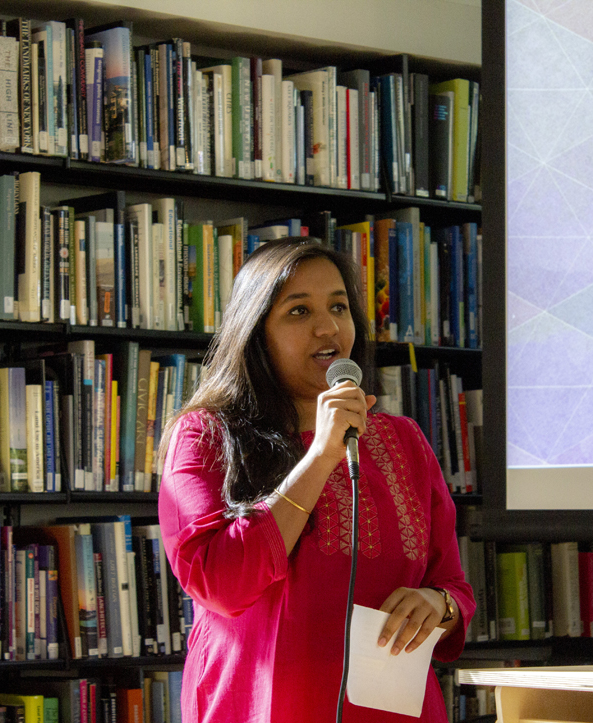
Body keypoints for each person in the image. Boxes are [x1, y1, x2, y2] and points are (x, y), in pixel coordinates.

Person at [158, 238, 475, 722]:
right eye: (299, 311)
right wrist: (321, 455)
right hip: (263, 706)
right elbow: (218, 582)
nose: (327, 327)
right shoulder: (204, 435)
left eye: (339, 307)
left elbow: (452, 584)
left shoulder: (404, 440)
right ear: (257, 332)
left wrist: (439, 605)